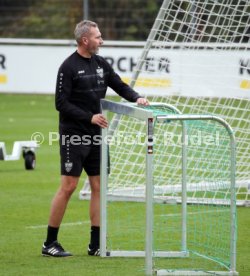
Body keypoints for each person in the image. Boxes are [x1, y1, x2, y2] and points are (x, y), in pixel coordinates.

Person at [41, 20, 149, 257]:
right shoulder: (68, 67)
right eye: (98, 37)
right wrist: (89, 118)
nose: (101, 40)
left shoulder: (101, 63)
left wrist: (136, 97)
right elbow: (61, 103)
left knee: (99, 187)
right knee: (68, 187)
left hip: (98, 135)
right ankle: (49, 243)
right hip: (74, 136)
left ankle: (96, 244)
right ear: (84, 40)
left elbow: (119, 85)